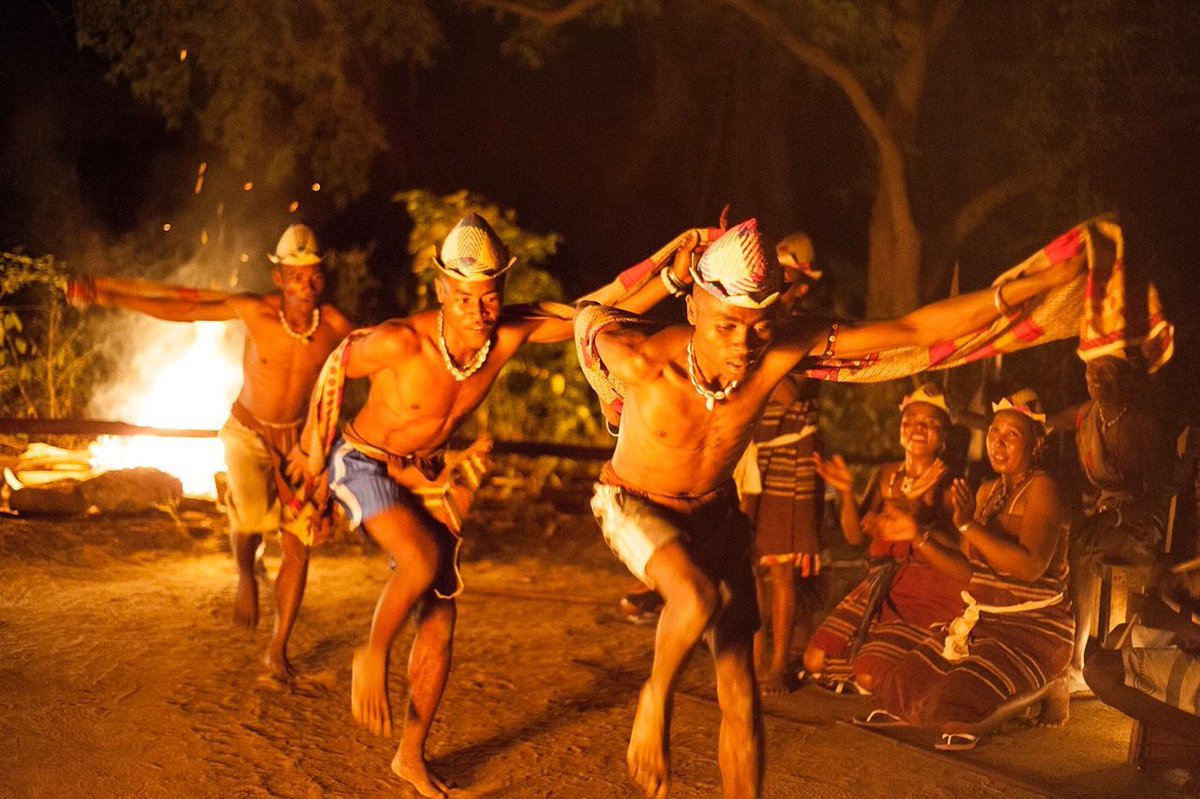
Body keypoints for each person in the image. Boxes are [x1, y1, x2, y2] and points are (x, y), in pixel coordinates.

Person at [576, 220, 1083, 798]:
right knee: (694, 597)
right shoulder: (640, 359)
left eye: (759, 326)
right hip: (634, 504)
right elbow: (586, 317)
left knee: (740, 690)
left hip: (715, 516)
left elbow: (911, 328)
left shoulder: (776, 352)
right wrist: (666, 270)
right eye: (726, 326)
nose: (743, 344)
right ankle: (653, 702)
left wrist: (1022, 290)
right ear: (694, 306)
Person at [292, 212, 708, 798]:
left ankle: (409, 756)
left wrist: (669, 276)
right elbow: (336, 362)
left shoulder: (508, 332)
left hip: (427, 477)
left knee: (440, 621)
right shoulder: (402, 340)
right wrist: (313, 448)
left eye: (489, 297)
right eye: (463, 298)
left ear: (503, 291)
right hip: (361, 461)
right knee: (418, 561)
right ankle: (371, 654)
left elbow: (592, 313)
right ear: (441, 291)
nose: (478, 312)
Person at [67, 224, 352, 680]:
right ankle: (246, 570)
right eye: (295, 276)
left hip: (299, 444)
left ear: (323, 277)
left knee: (299, 546)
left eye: (313, 276)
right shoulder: (255, 310)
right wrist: (107, 295)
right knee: (253, 522)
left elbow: (383, 356)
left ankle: (278, 650)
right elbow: (186, 307)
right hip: (247, 433)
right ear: (278, 278)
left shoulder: (337, 327)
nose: (305, 286)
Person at [859, 389, 1074, 751]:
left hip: (1032, 630)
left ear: (1036, 445)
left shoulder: (1044, 489)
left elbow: (1030, 567)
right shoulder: (988, 491)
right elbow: (966, 571)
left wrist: (967, 526)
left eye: (1011, 435)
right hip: (984, 622)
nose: (998, 442)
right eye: (993, 432)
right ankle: (1002, 691)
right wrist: (918, 536)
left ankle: (1050, 683)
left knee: (956, 704)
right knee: (897, 685)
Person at [805, 383, 964, 695]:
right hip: (881, 585)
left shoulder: (950, 484)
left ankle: (915, 668)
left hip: (925, 592)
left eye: (930, 424)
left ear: (943, 438)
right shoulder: (886, 474)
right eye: (911, 421)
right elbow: (854, 536)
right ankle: (874, 665)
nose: (918, 429)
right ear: (900, 429)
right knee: (815, 660)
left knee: (867, 676)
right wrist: (846, 492)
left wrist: (917, 512)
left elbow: (959, 552)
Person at [736, 231, 825, 696]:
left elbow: (793, 390)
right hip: (752, 452)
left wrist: (758, 351)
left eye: (786, 278)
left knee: (784, 567)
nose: (778, 284)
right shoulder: (757, 320)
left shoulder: (804, 327)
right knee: (747, 562)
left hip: (790, 453)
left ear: (802, 284)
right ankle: (751, 663)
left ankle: (777, 666)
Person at [1059, 354, 1172, 692]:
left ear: (1125, 377)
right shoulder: (1088, 415)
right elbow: (1040, 421)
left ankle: (1077, 661)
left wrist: (1119, 516)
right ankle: (1053, 640)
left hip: (1142, 525)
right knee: (1064, 527)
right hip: (1106, 516)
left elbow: (1162, 495)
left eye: (1106, 369)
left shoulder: (1143, 426)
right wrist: (966, 417)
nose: (1095, 376)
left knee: (1084, 543)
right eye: (1091, 368)